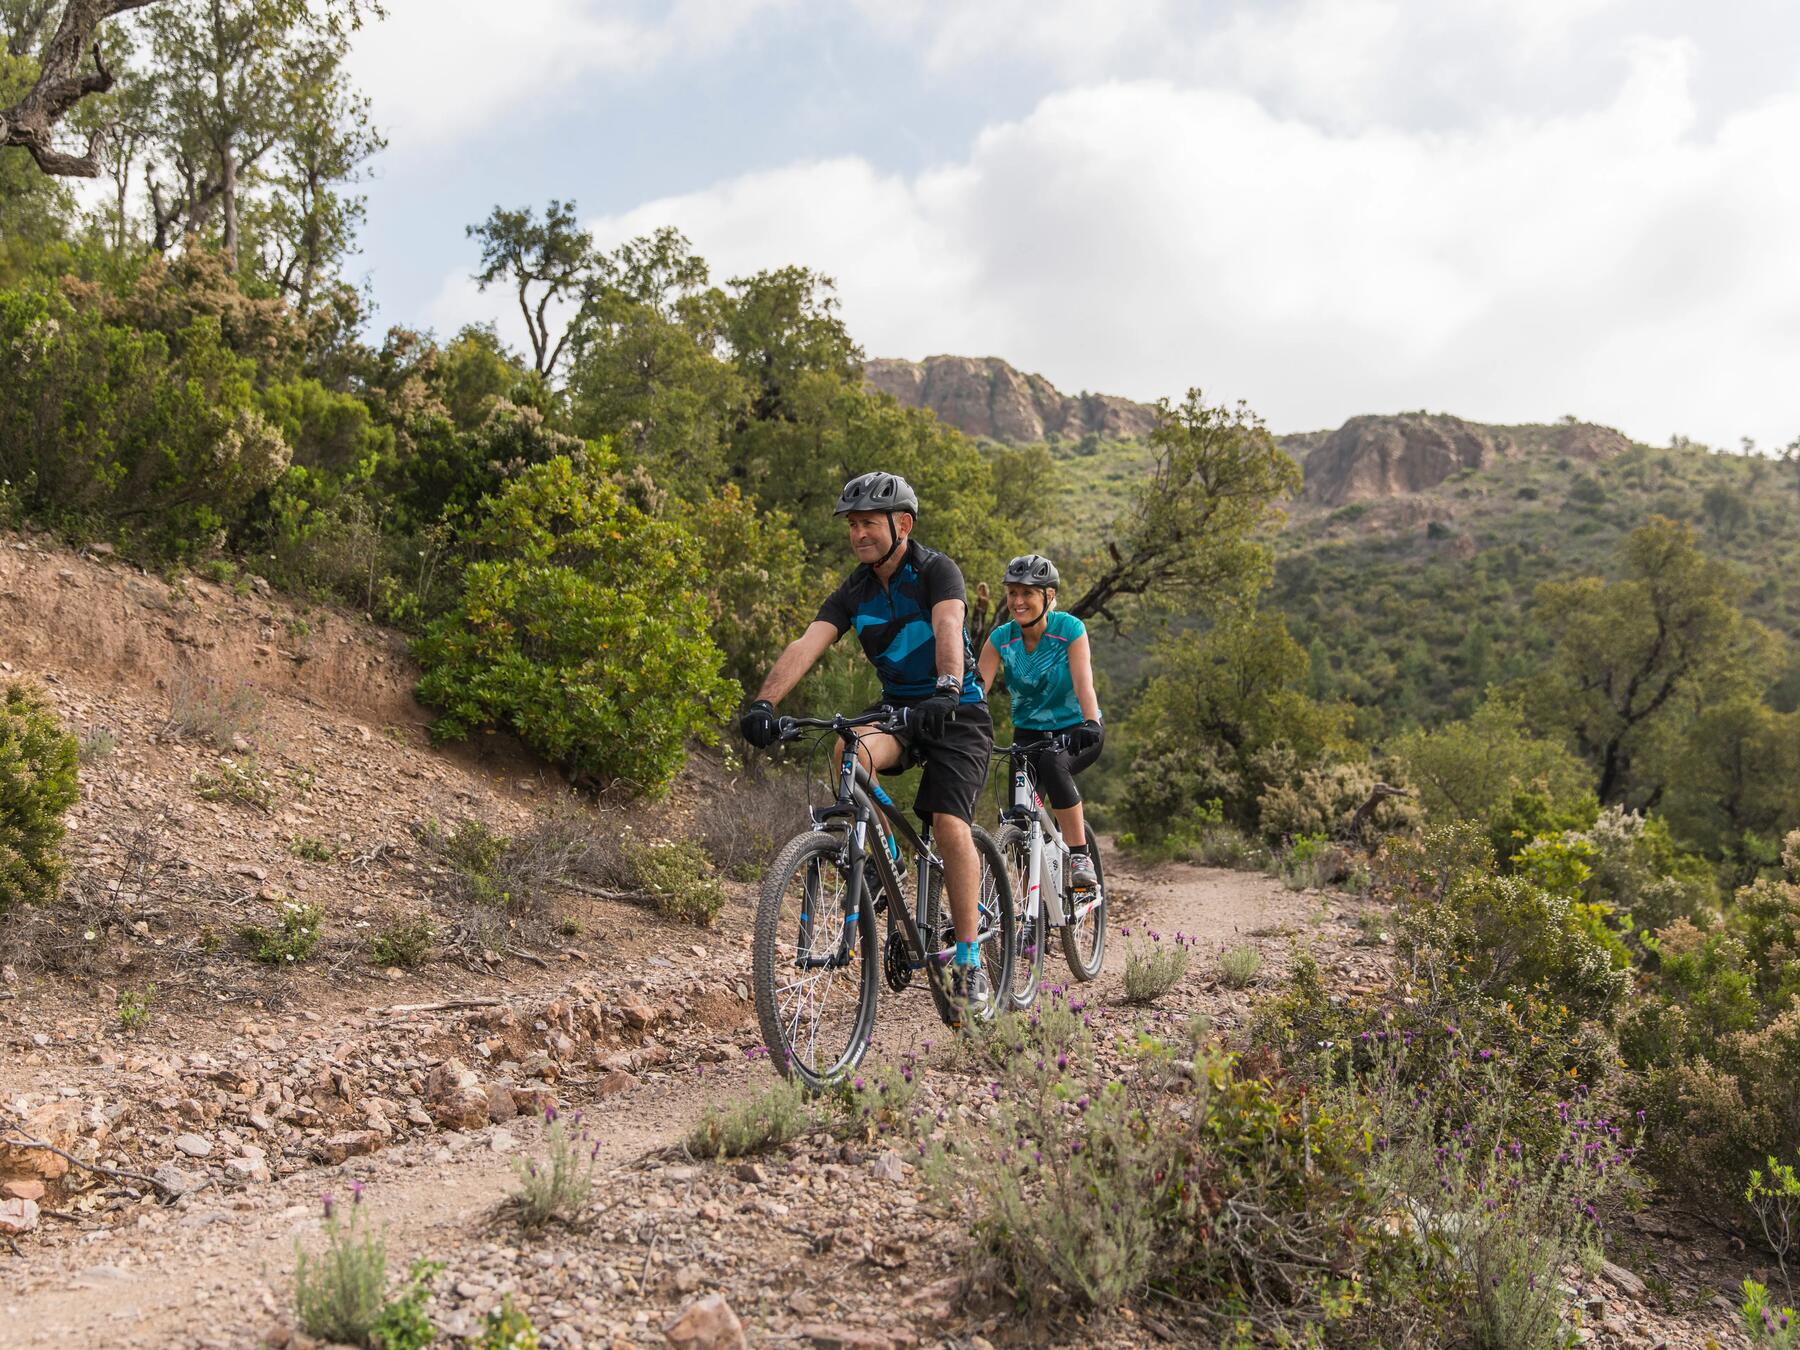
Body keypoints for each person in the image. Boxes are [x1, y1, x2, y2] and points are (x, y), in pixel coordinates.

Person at [738, 471, 995, 1016]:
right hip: (900, 710)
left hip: (958, 711)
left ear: (901, 524)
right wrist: (765, 703)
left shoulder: (935, 571)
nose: (858, 534)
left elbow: (949, 627)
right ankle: (888, 862)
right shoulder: (854, 590)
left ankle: (969, 960)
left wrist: (948, 687)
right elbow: (809, 642)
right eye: (852, 525)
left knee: (949, 824)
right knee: (846, 748)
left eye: (868, 524)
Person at [975, 554, 1103, 891]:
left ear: (1048, 596)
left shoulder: (1070, 630)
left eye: (1027, 593)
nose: (1017, 601)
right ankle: (1035, 914)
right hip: (1027, 735)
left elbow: (1083, 683)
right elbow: (976, 691)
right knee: (1020, 819)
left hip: (1077, 730)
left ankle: (1078, 854)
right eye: (1012, 593)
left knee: (1052, 764)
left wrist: (1091, 721)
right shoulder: (1001, 638)